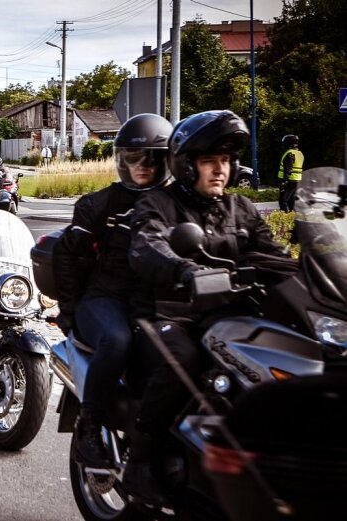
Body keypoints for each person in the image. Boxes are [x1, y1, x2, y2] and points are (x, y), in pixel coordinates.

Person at [125, 110, 296, 504]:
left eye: (226, 161)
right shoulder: (159, 204)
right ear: (186, 166)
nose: (220, 170)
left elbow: (273, 255)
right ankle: (141, 457)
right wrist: (185, 271)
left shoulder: (242, 209)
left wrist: (310, 270)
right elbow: (147, 247)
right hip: (168, 313)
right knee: (182, 360)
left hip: (227, 313)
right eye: (209, 162)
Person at [52, 113, 173, 469]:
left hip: (156, 301)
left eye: (153, 157)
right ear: (121, 160)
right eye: (134, 158)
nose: (143, 166)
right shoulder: (99, 205)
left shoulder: (178, 203)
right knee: (117, 340)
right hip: (105, 298)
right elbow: (65, 255)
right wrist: (69, 310)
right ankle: (90, 422)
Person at [277, 134, 303, 212]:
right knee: (291, 201)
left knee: (283, 201)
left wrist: (284, 182)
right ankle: (291, 218)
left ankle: (286, 219)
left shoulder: (289, 154)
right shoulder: (299, 153)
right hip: (297, 180)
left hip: (289, 181)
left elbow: (288, 168)